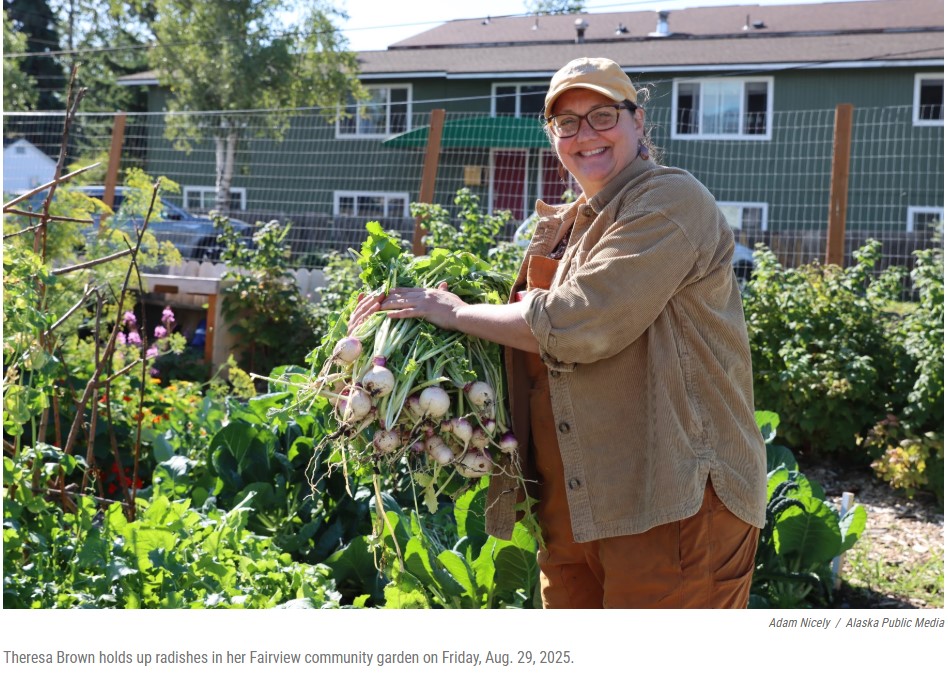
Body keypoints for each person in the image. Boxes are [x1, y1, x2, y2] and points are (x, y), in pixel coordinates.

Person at [350, 57, 767, 609]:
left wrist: (450, 312)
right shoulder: (573, 222)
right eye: (566, 123)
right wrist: (406, 332)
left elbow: (579, 323)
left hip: (671, 499)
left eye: (601, 116)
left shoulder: (669, 202)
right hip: (577, 501)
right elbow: (523, 335)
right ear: (552, 136)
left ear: (638, 122)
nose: (584, 135)